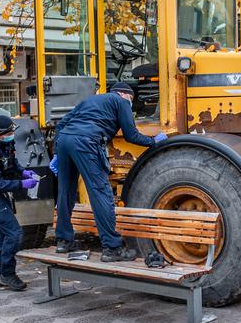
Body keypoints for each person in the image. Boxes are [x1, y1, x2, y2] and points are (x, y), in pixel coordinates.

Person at [51, 82, 167, 261]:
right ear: (125, 94)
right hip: (86, 142)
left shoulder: (91, 100)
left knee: (65, 191)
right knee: (100, 192)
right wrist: (154, 140)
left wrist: (58, 152)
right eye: (131, 99)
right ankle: (112, 248)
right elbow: (131, 134)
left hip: (65, 141)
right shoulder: (121, 102)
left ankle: (63, 241)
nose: (130, 103)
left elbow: (62, 124)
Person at [0, 115, 39, 291]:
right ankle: (7, 274)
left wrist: (24, 172)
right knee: (15, 234)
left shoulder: (4, 142)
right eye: (9, 132)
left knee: (5, 235)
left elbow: (11, 163)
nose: (12, 135)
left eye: (12, 131)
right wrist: (21, 184)